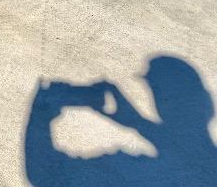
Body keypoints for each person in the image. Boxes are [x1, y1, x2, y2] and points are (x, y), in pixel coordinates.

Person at [24, 56, 217, 186]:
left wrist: (41, 114)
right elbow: (183, 154)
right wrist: (137, 123)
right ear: (206, 102)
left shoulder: (142, 171)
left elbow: (43, 176)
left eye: (154, 88)